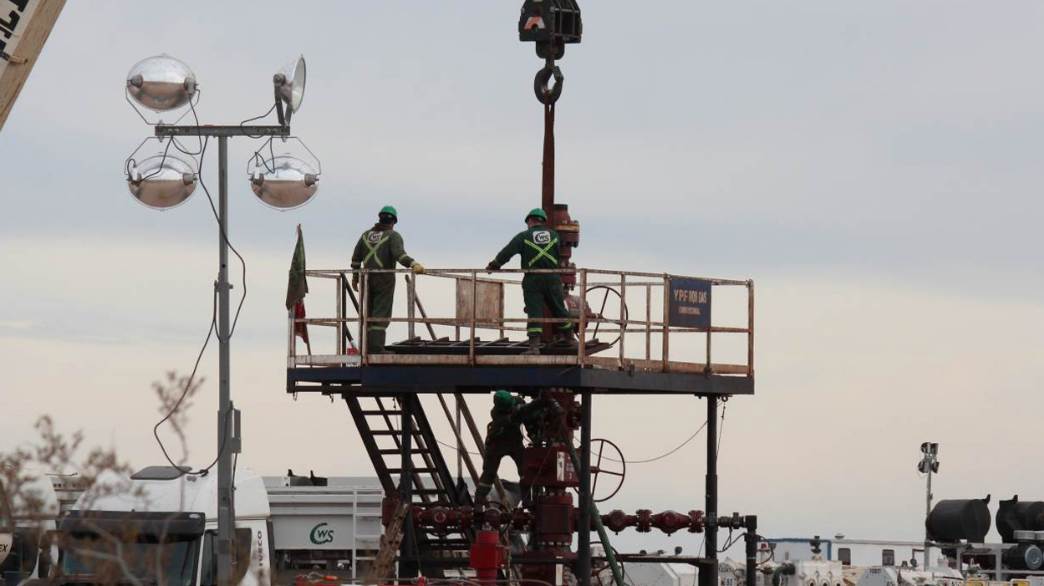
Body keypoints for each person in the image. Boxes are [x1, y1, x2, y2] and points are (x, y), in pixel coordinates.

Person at [486, 208, 576, 355]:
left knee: (534, 311)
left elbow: (507, 252)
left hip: (533, 278)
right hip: (553, 278)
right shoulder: (554, 236)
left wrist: (494, 265)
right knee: (559, 307)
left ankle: (534, 347)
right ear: (543, 221)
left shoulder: (523, 236)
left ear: (530, 221)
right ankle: (570, 339)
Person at [351, 205, 424, 354]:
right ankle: (376, 349)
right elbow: (399, 255)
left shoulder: (365, 235)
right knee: (380, 315)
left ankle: (367, 348)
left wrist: (355, 276)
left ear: (379, 218)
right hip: (384, 280)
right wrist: (413, 264)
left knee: (369, 315)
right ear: (393, 222)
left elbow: (356, 258)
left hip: (366, 280)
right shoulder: (392, 235)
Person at [474, 390, 545, 504]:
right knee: (489, 473)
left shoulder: (518, 402)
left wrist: (532, 432)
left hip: (515, 443)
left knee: (525, 471)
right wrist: (522, 412)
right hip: (496, 446)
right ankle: (478, 501)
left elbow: (527, 418)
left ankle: (527, 500)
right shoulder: (497, 415)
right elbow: (514, 417)